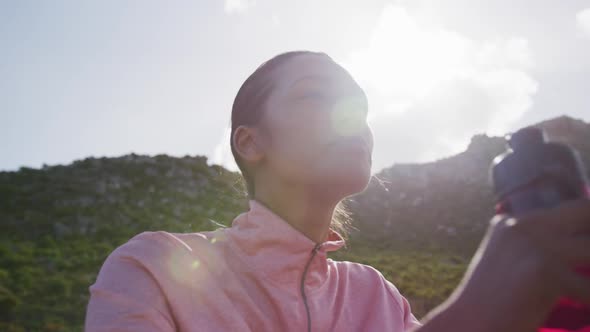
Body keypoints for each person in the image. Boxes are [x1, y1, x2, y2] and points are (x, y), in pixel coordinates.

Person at [84, 51, 590, 332]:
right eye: (314, 96)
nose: (354, 119)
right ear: (250, 141)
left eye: (360, 107)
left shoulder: (376, 296)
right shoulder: (150, 269)